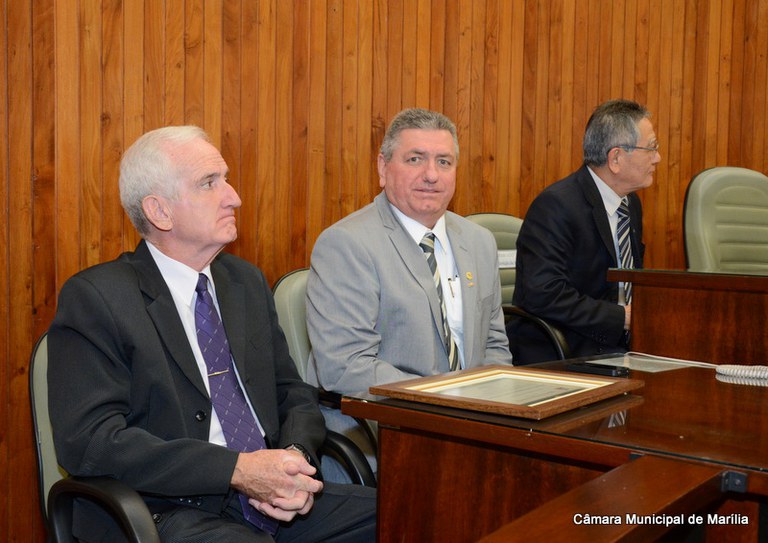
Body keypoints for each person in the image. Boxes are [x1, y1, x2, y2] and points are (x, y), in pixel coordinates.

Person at [47, 126, 376, 543]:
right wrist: (236, 470)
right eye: (209, 183)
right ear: (159, 211)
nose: (233, 197)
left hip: (271, 497)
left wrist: (293, 459)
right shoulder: (98, 298)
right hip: (163, 510)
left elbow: (293, 393)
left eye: (226, 179)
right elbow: (91, 442)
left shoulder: (244, 282)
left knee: (412, 512)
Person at [305, 108, 512, 471]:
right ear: (383, 168)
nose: (431, 174)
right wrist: (447, 400)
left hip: (473, 428)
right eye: (415, 159)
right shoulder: (347, 243)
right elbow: (345, 367)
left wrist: (495, 411)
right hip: (383, 432)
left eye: (444, 162)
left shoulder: (479, 241)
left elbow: (494, 344)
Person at [511, 99, 660, 363]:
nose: (657, 158)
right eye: (651, 148)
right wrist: (622, 318)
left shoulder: (630, 204)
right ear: (616, 158)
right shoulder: (556, 205)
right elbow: (543, 293)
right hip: (567, 350)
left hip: (620, 346)